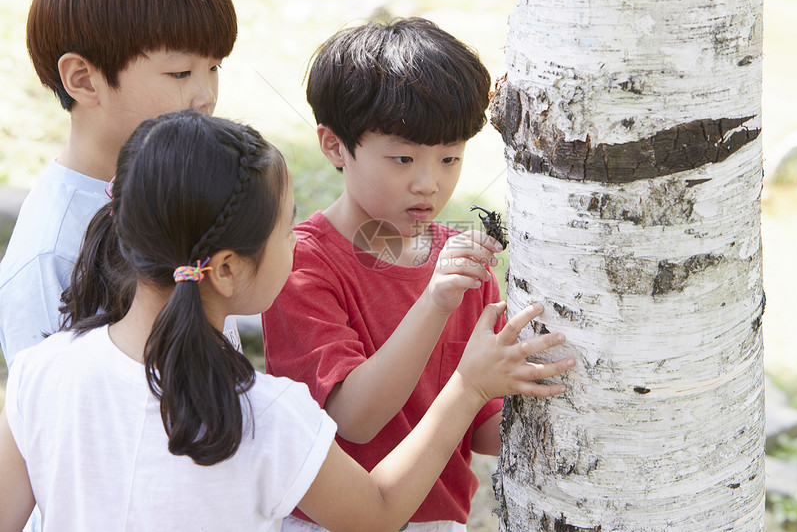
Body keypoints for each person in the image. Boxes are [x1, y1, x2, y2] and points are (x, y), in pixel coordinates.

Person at [0, 110, 575, 532]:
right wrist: (469, 385)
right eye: (285, 230)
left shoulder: (38, 372)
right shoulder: (259, 414)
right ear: (226, 269)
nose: (297, 244)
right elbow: (377, 510)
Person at [262, 17, 508, 531]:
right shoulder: (301, 264)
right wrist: (436, 303)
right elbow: (353, 418)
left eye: (450, 158)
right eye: (402, 158)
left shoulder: (462, 266)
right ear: (333, 146)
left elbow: (486, 428)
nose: (429, 183)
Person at [0, 0, 238, 368]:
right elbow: (47, 420)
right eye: (181, 72)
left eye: (214, 67)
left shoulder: (184, 182)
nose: (206, 95)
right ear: (84, 79)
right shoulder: (50, 256)